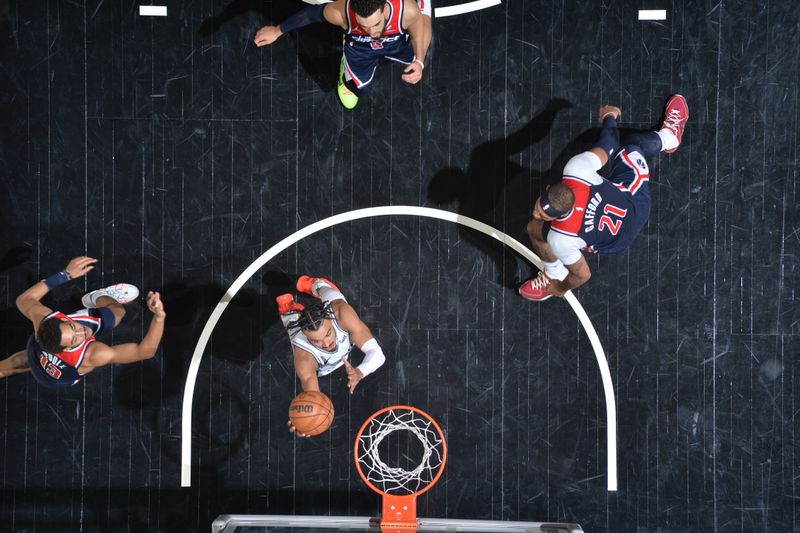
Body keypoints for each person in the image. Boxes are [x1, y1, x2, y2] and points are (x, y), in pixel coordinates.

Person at [519, 94, 689, 301]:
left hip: (626, 222)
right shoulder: (576, 170)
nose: (536, 212)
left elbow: (582, 275)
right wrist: (609, 116)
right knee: (632, 145)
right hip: (625, 209)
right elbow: (609, 143)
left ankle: (670, 137)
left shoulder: (560, 239)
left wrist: (561, 288)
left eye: (542, 213)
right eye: (539, 209)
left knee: (535, 231)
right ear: (549, 187)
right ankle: (669, 137)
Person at [0, 256, 166, 388]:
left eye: (73, 326)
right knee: (118, 312)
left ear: (61, 319)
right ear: (63, 349)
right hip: (61, 377)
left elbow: (24, 300)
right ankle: (98, 296)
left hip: (37, 354)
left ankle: (91, 299)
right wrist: (159, 317)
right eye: (75, 339)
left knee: (14, 364)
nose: (83, 332)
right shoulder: (93, 355)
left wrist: (65, 274)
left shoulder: (44, 321)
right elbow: (144, 352)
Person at [253, 0, 432, 109]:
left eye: (376, 24)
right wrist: (277, 30)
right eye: (364, 26)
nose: (371, 32)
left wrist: (419, 61)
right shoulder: (342, 12)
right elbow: (311, 15)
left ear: (385, 9)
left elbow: (421, 28)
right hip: (360, 50)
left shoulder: (406, 10)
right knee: (351, 96)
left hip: (397, 44)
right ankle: (345, 66)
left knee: (418, 48)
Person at [276, 275, 386, 437]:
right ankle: (291, 309)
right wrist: (306, 421)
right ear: (308, 338)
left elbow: (378, 355)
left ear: (331, 319)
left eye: (328, 334)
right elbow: (313, 395)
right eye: (317, 341)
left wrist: (360, 372)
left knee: (326, 290)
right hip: (321, 362)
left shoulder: (341, 313)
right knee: (290, 321)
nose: (327, 344)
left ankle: (314, 284)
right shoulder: (304, 357)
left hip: (333, 306)